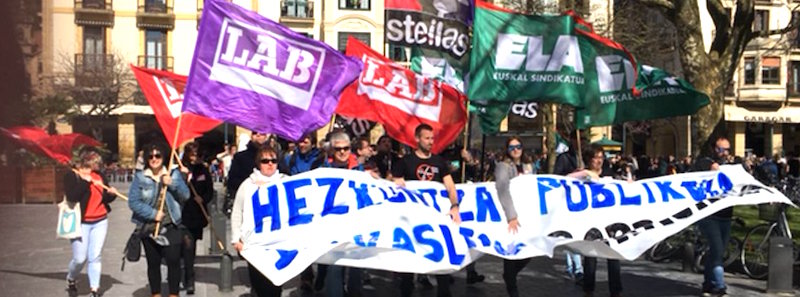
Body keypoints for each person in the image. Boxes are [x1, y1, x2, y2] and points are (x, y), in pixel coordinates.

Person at [392, 124, 462, 297]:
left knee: (442, 263)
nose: (431, 142)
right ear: (417, 139)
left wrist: (454, 206)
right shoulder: (405, 162)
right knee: (409, 266)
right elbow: (391, 184)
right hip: (412, 221)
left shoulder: (439, 162)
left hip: (436, 220)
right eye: (427, 138)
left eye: (432, 138)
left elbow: (450, 187)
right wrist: (395, 182)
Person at [129, 144, 190, 297]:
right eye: (151, 156)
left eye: (158, 156)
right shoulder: (140, 177)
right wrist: (152, 213)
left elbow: (186, 195)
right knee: (153, 262)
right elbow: (133, 202)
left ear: (163, 158)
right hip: (149, 226)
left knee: (173, 260)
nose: (154, 159)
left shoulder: (173, 173)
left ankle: (173, 294)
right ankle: (155, 293)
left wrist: (173, 184)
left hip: (171, 224)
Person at [568, 145, 622, 297]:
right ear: (589, 159)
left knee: (613, 257)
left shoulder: (609, 174)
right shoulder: (583, 175)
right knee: (591, 257)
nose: (599, 161)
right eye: (595, 157)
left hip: (609, 222)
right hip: (591, 222)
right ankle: (588, 289)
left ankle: (616, 291)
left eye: (601, 157)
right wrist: (582, 173)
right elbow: (566, 180)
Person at [231, 146, 285, 297]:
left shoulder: (286, 181)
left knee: (275, 284)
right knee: (259, 284)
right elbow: (237, 213)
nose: (270, 164)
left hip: (278, 243)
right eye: (265, 160)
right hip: (254, 243)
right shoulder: (247, 185)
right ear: (258, 163)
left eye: (273, 161)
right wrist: (236, 239)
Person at [64, 150, 119, 297]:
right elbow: (72, 196)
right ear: (86, 161)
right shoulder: (73, 175)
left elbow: (104, 198)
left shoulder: (99, 175)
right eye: (96, 162)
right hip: (81, 222)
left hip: (100, 220)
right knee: (80, 258)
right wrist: (85, 181)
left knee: (95, 256)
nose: (98, 165)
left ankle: (94, 288)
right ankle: (71, 277)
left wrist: (111, 194)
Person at [279, 133, 324, 291]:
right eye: (300, 141)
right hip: (297, 206)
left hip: (317, 206)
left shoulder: (321, 159)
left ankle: (322, 276)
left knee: (320, 243)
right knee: (302, 243)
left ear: (312, 142)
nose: (302, 144)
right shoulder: (289, 159)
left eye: (306, 141)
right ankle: (306, 277)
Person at [321, 132, 364, 297]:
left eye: (346, 148)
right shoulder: (323, 169)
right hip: (332, 226)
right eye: (338, 149)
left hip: (355, 225)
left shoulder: (360, 169)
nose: (342, 152)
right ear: (332, 150)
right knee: (334, 267)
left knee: (356, 268)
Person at [494, 137, 533, 297]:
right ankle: (512, 288)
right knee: (511, 251)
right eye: (512, 148)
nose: (516, 150)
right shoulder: (503, 166)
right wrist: (511, 216)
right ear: (507, 150)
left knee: (529, 250)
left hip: (527, 213)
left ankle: (509, 276)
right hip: (511, 215)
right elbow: (502, 189)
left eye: (518, 146)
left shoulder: (528, 166)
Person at [694, 137, 732, 297]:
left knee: (717, 252)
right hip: (709, 215)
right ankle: (719, 286)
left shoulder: (732, 166)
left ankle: (708, 284)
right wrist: (711, 168)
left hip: (726, 215)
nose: (724, 153)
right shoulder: (704, 162)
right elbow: (699, 169)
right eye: (721, 149)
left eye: (727, 149)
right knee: (717, 250)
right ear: (714, 149)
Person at [179, 142, 213, 295]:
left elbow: (209, 191)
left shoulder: (203, 170)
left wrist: (203, 199)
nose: (195, 158)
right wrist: (182, 177)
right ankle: (188, 279)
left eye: (197, 155)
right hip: (182, 215)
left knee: (190, 250)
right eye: (192, 154)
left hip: (197, 215)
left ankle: (187, 273)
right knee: (186, 248)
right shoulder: (179, 169)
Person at [552, 131, 583, 283]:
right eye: (578, 139)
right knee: (572, 235)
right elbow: (556, 178)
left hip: (583, 204)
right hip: (568, 201)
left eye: (583, 139)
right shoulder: (564, 158)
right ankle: (577, 269)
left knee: (575, 236)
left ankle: (572, 266)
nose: (580, 142)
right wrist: (573, 175)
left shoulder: (586, 158)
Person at [225, 132, 267, 215]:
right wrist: (251, 184)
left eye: (262, 133)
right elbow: (232, 181)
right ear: (251, 136)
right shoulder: (240, 157)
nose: (258, 135)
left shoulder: (274, 156)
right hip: (247, 204)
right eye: (255, 133)